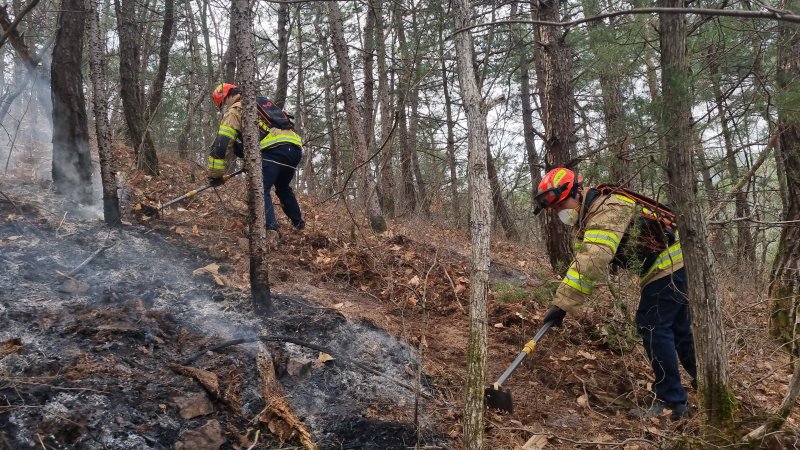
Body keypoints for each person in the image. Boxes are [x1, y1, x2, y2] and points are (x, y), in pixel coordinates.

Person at [533, 167, 696, 420]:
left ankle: (672, 402)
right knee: (679, 330)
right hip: (675, 264)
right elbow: (582, 263)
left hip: (670, 265)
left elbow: (592, 261)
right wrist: (562, 305)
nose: (559, 212)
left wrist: (561, 304)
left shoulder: (608, 208)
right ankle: (708, 382)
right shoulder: (589, 215)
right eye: (554, 209)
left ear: (578, 192)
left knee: (652, 325)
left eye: (561, 205)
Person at [206, 83, 305, 234]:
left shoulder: (236, 109)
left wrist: (215, 174)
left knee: (260, 189)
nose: (226, 107)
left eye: (223, 103)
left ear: (228, 96)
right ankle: (299, 225)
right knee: (283, 187)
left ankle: (270, 230)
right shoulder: (261, 102)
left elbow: (222, 144)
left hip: (274, 151)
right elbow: (254, 140)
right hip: (294, 150)